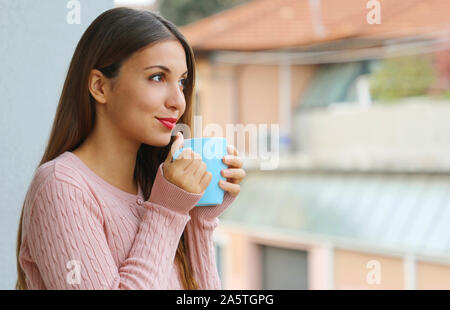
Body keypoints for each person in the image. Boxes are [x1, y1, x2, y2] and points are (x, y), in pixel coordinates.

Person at [15, 7, 245, 290]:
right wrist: (167, 210)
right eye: (158, 77)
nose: (178, 101)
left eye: (182, 82)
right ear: (99, 86)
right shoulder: (61, 186)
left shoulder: (156, 187)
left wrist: (199, 216)